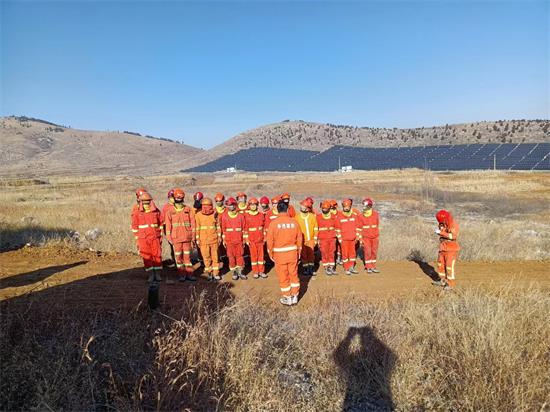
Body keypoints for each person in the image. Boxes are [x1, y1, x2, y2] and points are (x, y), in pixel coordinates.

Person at [266, 202, 303, 306]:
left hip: (279, 255)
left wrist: (271, 254)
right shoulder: (294, 222)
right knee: (293, 274)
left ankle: (287, 297)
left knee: (283, 276)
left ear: (277, 210)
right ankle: (295, 296)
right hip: (292, 254)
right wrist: (299, 252)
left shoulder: (273, 223)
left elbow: (269, 241)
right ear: (287, 210)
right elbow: (299, 238)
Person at [165, 188, 197, 282]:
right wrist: (169, 237)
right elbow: (168, 226)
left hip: (187, 237)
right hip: (176, 238)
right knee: (178, 258)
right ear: (174, 198)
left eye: (180, 198)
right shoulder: (169, 211)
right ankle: (182, 275)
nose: (179, 200)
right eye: (177, 198)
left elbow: (193, 224)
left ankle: (190, 274)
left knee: (187, 257)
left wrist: (193, 237)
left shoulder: (188, 210)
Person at [131, 191, 163, 282]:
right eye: (144, 202)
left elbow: (161, 223)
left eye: (147, 201)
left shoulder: (156, 211)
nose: (146, 204)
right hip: (143, 239)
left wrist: (160, 236)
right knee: (147, 256)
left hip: (155, 238)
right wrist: (138, 239)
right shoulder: (137, 213)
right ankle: (151, 274)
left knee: (157, 255)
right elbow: (134, 226)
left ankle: (157, 274)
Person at [195, 197, 221, 281]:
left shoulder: (215, 214)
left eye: (208, 205)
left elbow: (218, 226)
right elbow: (197, 228)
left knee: (215, 257)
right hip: (203, 240)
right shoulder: (198, 215)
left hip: (214, 239)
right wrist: (197, 239)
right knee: (206, 257)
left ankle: (216, 273)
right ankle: (209, 272)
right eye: (204, 206)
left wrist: (219, 237)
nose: (206, 208)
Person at [220, 197, 247, 280]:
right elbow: (223, 230)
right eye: (229, 205)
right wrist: (224, 240)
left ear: (235, 205)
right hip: (229, 241)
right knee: (231, 257)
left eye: (232, 205)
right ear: (227, 206)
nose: (231, 207)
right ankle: (234, 271)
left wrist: (245, 240)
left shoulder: (241, 216)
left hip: (239, 241)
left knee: (240, 256)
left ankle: (240, 271)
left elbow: (244, 229)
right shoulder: (224, 217)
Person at [433, 209, 460, 290]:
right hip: (443, 247)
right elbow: (442, 232)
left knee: (449, 266)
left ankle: (450, 283)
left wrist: (441, 233)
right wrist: (440, 230)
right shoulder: (442, 224)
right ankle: (443, 280)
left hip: (451, 248)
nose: (440, 223)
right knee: (440, 264)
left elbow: (453, 236)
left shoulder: (453, 224)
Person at [244, 197, 267, 279]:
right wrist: (246, 239)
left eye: (255, 205)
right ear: (249, 206)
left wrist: (265, 237)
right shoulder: (246, 216)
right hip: (252, 240)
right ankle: (255, 272)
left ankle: (261, 271)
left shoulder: (261, 215)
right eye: (251, 205)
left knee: (261, 257)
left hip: (260, 239)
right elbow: (245, 229)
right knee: (254, 257)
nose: (253, 206)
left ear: (257, 205)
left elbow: (264, 227)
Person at [336, 199, 360, 275]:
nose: (346, 208)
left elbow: (358, 227)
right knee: (345, 254)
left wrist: (358, 236)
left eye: (348, 206)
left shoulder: (354, 216)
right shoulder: (339, 216)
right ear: (343, 206)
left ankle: (351, 267)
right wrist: (340, 239)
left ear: (350, 206)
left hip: (353, 239)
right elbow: (337, 229)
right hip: (344, 240)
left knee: (352, 254)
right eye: (345, 206)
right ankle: (346, 268)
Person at [357, 198, 380, 273]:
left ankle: (373, 266)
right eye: (363, 205)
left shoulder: (376, 214)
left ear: (369, 205)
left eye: (365, 205)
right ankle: (368, 267)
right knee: (367, 252)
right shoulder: (360, 216)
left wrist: (375, 233)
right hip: (366, 237)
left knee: (374, 252)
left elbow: (377, 224)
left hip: (375, 236)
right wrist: (360, 239)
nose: (363, 207)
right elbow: (359, 228)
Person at [296, 199, 318, 276]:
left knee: (311, 255)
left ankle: (311, 268)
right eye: (302, 206)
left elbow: (315, 228)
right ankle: (305, 268)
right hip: (302, 241)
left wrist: (315, 239)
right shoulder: (297, 217)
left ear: (307, 208)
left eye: (304, 206)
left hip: (311, 240)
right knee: (304, 255)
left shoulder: (312, 216)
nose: (302, 207)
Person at [316, 200, 338, 275]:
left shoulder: (333, 217)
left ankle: (331, 266)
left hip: (332, 238)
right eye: (323, 208)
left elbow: (337, 226)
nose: (324, 210)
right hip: (323, 238)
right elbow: (316, 228)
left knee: (332, 252)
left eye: (325, 209)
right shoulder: (318, 217)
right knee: (324, 253)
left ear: (329, 209)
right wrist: (317, 238)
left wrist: (336, 235)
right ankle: (326, 267)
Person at [160, 189, 176, 268]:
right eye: (172, 197)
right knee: (173, 248)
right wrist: (166, 232)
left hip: (179, 231)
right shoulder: (166, 208)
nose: (174, 198)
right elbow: (163, 220)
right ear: (169, 197)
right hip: (170, 231)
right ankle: (176, 263)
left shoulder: (178, 205)